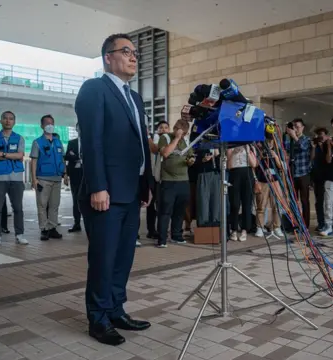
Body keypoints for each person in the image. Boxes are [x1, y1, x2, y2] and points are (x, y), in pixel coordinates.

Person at [75, 33, 153, 346]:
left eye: (135, 52)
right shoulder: (94, 89)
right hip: (105, 193)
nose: (133, 57)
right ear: (108, 57)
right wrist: (98, 187)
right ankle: (97, 318)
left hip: (131, 191)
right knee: (103, 258)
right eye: (126, 51)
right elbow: (91, 142)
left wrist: (146, 184)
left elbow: (139, 145)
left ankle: (116, 309)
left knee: (123, 257)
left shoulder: (134, 97)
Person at [0, 111, 28, 247]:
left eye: (11, 119)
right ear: (1, 120)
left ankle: (20, 234)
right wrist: (11, 154)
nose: (8, 121)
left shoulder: (19, 138)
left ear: (14, 122)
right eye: (5, 118)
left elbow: (20, 155)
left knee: (18, 208)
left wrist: (3, 154)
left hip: (16, 178)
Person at [157, 119, 193, 247]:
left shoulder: (186, 140)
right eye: (180, 132)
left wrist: (191, 160)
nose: (182, 136)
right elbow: (165, 153)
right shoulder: (165, 137)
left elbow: (190, 156)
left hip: (183, 180)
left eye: (184, 134)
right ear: (175, 128)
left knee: (180, 211)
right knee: (165, 211)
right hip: (168, 181)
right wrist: (176, 139)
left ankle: (176, 235)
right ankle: (161, 239)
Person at [30, 114, 65, 241]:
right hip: (43, 178)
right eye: (47, 123)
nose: (50, 126)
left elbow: (62, 158)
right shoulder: (37, 142)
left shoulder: (58, 142)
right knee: (42, 205)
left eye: (52, 123)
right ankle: (44, 229)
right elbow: (33, 161)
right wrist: (34, 179)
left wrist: (64, 173)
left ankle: (52, 227)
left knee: (55, 204)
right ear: (42, 126)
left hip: (57, 178)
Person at [284, 118, 312, 229]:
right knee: (293, 200)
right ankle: (295, 223)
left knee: (304, 200)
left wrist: (294, 136)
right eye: (294, 127)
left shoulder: (306, 139)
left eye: (298, 127)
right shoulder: (288, 140)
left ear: (303, 127)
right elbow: (284, 150)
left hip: (304, 173)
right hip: (292, 173)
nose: (295, 129)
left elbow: (302, 147)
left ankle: (305, 224)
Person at [227, 144, 257, 241]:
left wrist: (248, 151)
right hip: (234, 174)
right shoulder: (230, 147)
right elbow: (228, 166)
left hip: (247, 174)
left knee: (247, 203)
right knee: (234, 203)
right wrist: (232, 153)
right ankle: (234, 229)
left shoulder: (250, 146)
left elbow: (254, 164)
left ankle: (245, 229)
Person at [146, 121, 169, 239]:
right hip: (152, 175)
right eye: (161, 127)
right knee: (150, 205)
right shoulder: (153, 140)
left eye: (166, 127)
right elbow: (154, 150)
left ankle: (161, 230)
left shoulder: (169, 141)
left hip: (163, 177)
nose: (163, 129)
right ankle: (151, 230)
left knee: (162, 205)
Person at [65, 123, 83, 233]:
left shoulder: (91, 141)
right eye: (79, 127)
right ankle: (77, 223)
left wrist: (75, 157)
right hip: (75, 175)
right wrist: (78, 158)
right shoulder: (72, 143)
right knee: (75, 199)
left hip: (87, 175)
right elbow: (67, 156)